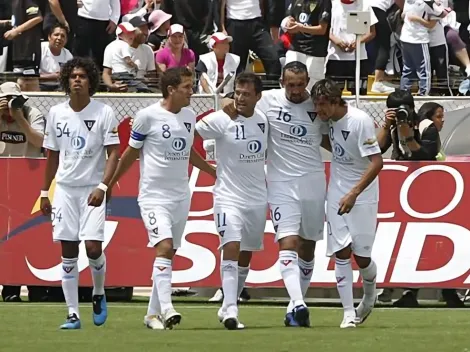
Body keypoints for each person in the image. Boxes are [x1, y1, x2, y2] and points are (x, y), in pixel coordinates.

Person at [107, 67, 216, 330]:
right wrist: (108, 184)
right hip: (154, 196)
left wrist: (212, 171)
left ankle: (151, 314)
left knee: (168, 254)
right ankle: (167, 309)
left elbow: (188, 151)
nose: (192, 92)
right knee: (164, 247)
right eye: (187, 87)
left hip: (181, 196)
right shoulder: (147, 116)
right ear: (171, 90)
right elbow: (131, 153)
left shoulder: (189, 116)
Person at [223, 61, 330, 327]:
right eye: (290, 84)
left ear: (307, 81)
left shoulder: (317, 105)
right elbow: (241, 101)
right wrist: (228, 107)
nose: (295, 90)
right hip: (281, 184)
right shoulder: (268, 100)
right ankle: (298, 303)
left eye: (300, 84)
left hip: (314, 182)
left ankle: (294, 308)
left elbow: (333, 134)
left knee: (308, 247)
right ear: (281, 83)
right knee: (287, 242)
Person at [39, 57, 121, 329]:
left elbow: (113, 154)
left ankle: (98, 293)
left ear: (91, 82)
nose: (77, 80)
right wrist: (43, 192)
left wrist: (103, 186)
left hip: (92, 189)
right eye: (73, 76)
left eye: (83, 76)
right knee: (68, 250)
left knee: (93, 247)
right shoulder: (56, 114)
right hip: (64, 189)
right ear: (66, 80)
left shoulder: (104, 112)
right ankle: (72, 313)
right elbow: (52, 155)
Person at [195, 73, 267, 330]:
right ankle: (232, 309)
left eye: (247, 94)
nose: (240, 98)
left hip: (257, 198)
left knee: (246, 254)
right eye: (238, 92)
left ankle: (228, 302)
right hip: (227, 197)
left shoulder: (263, 121)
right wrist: (205, 167)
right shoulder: (220, 119)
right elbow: (189, 133)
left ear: (258, 97)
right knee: (231, 245)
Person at [311, 78, 383, 328]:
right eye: (316, 105)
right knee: (340, 251)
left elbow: (377, 163)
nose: (319, 110)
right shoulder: (326, 119)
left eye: (322, 105)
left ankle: (370, 294)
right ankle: (348, 313)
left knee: (362, 256)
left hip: (362, 193)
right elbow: (335, 144)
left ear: (335, 101)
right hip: (337, 190)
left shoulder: (359, 121)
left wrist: (354, 192)